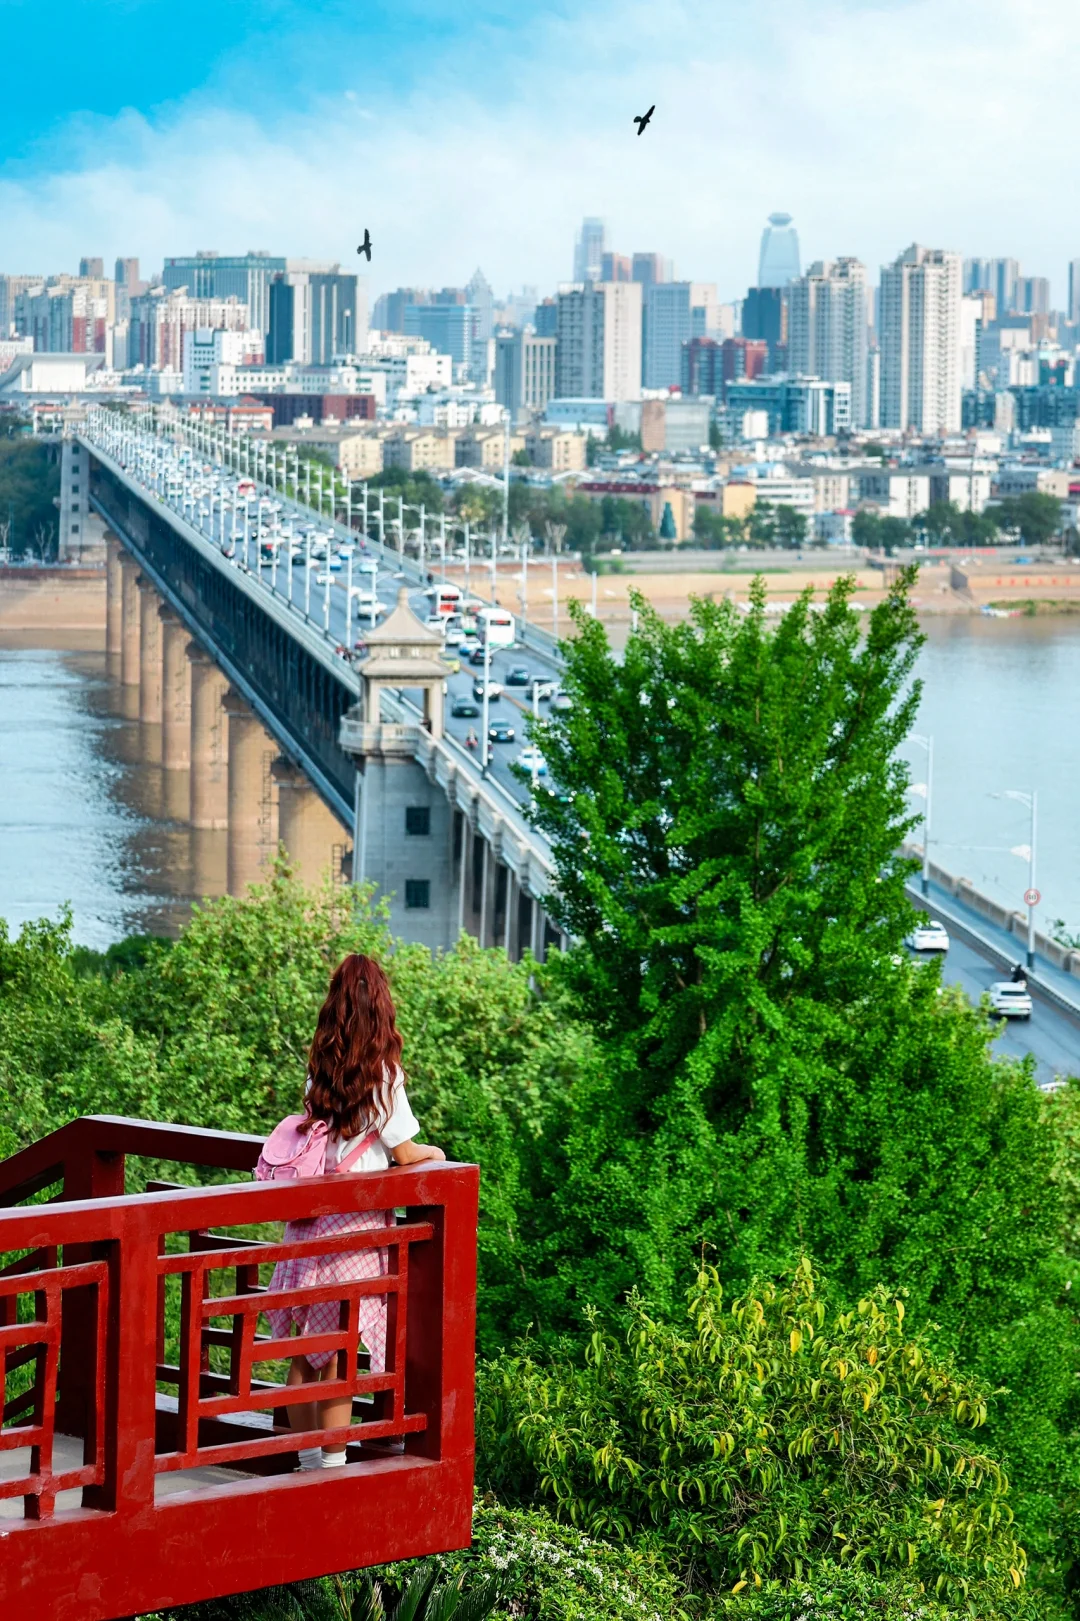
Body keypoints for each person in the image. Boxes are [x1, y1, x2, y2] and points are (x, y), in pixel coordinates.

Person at [264, 954, 444, 1470]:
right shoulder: (384, 1073)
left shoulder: (321, 1063)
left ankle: (302, 1462)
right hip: (355, 1224)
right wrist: (433, 1154)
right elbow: (405, 1151)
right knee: (340, 1350)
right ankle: (332, 1466)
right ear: (381, 1005)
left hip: (308, 1216)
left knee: (305, 1347)